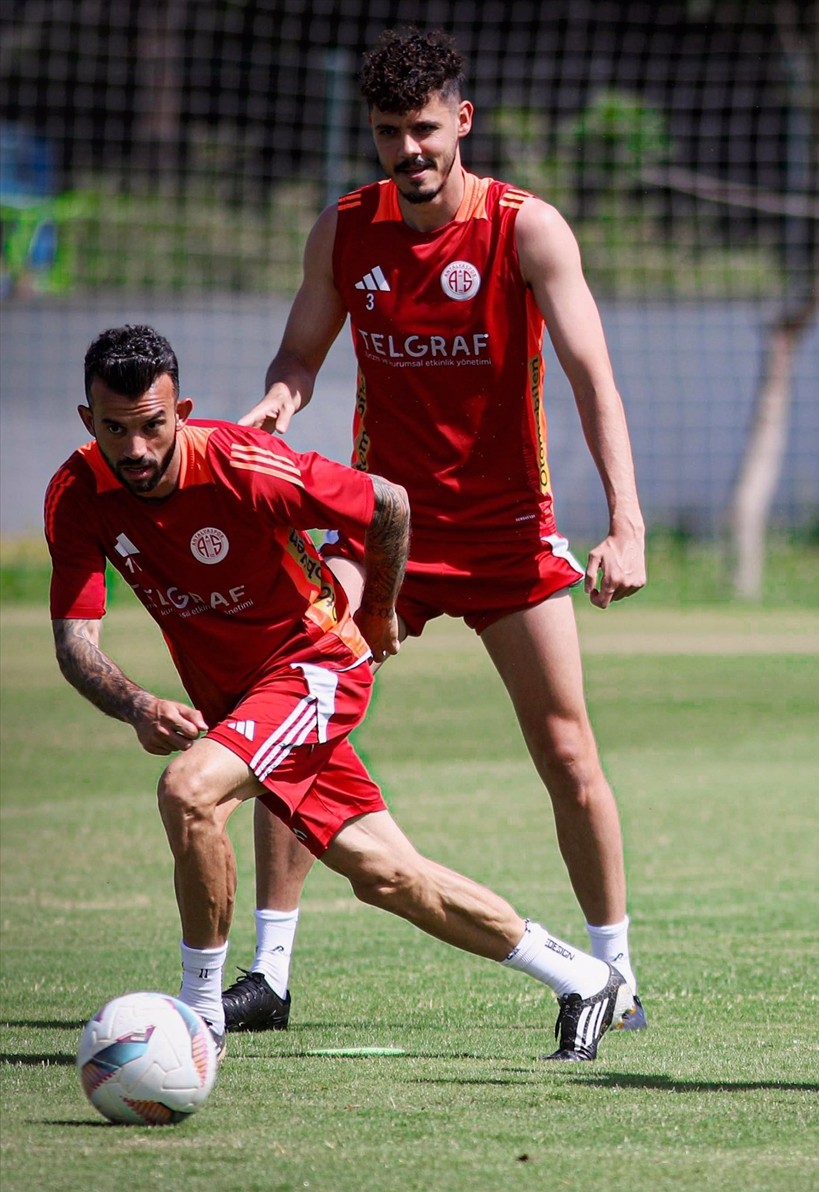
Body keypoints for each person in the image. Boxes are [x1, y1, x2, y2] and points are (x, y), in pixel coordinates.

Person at [44, 324, 635, 1063]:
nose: (134, 449)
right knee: (390, 877)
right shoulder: (77, 492)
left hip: (313, 667)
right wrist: (136, 703)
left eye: (152, 426)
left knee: (190, 791)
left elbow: (387, 503)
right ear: (87, 421)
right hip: (241, 701)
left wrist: (380, 609)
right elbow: (74, 641)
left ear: (182, 412)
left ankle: (199, 1021)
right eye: (115, 430)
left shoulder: (243, 465)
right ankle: (582, 976)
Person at [230, 25, 647, 1036]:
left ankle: (617, 970)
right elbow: (299, 355)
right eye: (389, 133)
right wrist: (277, 407)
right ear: (371, 134)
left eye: (424, 129)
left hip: (509, 534)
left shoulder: (527, 229)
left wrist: (625, 524)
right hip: (384, 532)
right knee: (291, 717)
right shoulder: (345, 229)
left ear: (461, 121)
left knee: (567, 751)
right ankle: (270, 975)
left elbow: (594, 382)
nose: (409, 152)